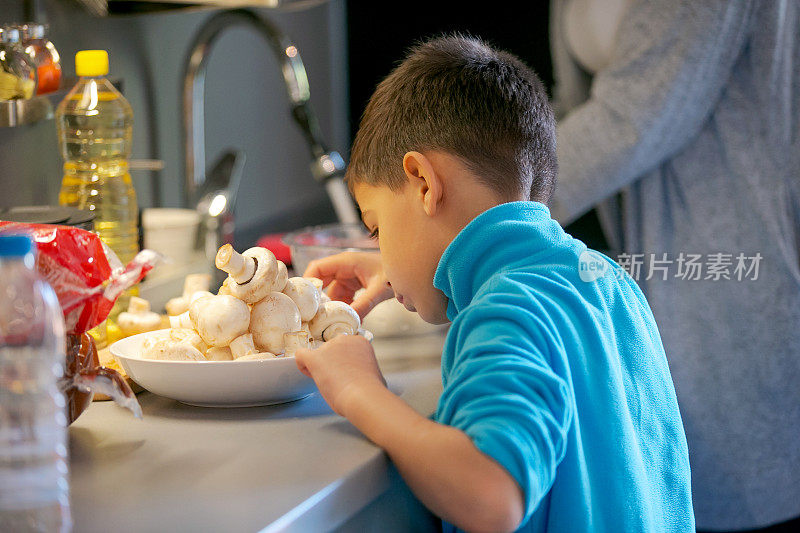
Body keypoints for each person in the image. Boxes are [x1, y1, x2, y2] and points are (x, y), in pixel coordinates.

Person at [294, 34, 694, 532]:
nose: (379, 250)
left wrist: (358, 390)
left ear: (422, 182)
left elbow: (491, 496)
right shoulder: (607, 282)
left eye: (377, 228)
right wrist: (404, 269)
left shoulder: (505, 310)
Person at [549, 1, 800, 530]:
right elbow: (572, 109)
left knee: (735, 484)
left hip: (737, 260)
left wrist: (470, 210)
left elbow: (634, 116)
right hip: (651, 265)